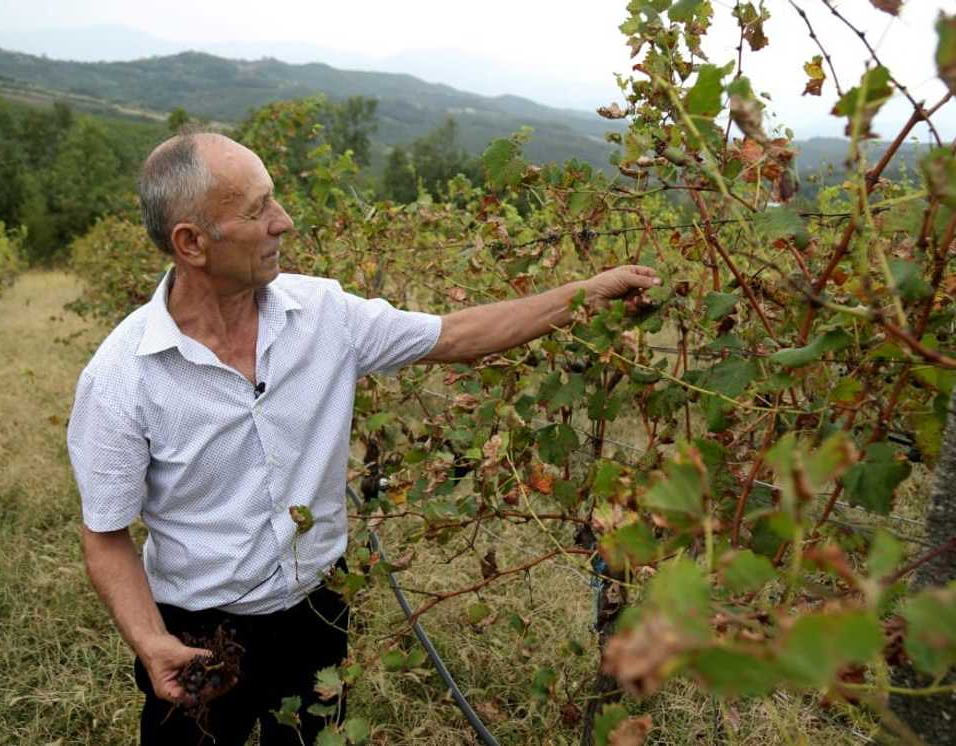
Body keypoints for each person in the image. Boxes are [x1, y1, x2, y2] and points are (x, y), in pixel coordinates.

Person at [66, 131, 660, 745]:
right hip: (196, 631)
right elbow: (105, 536)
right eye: (257, 209)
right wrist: (151, 641)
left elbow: (457, 335)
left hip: (318, 612)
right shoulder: (121, 379)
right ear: (192, 242)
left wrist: (586, 294)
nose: (283, 221)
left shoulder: (325, 314)